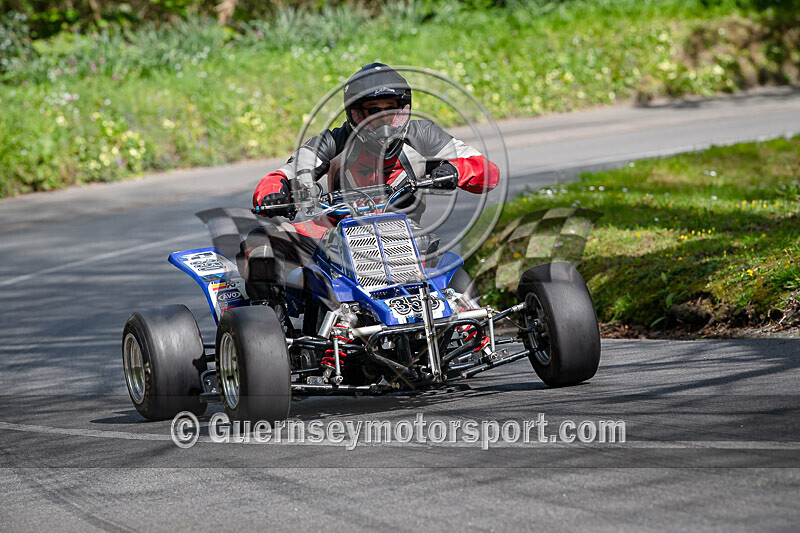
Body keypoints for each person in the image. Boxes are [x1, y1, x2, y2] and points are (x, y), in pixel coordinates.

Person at [246, 63, 500, 306]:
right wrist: (274, 194)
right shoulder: (331, 142)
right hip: (333, 237)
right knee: (261, 241)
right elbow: (283, 174)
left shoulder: (423, 135)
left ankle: (470, 325)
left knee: (451, 268)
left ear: (404, 110)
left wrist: (455, 170)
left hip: (406, 236)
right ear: (356, 114)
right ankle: (270, 319)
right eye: (373, 111)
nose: (384, 120)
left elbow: (486, 169)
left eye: (391, 110)